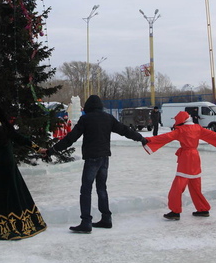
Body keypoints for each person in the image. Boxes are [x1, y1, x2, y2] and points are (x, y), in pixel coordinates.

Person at [43, 95, 148, 233]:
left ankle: (86, 222)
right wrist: (140, 138)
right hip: (104, 158)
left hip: (92, 158)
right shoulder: (108, 118)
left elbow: (70, 139)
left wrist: (52, 150)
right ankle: (106, 218)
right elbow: (124, 130)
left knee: (86, 189)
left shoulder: (85, 119)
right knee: (101, 188)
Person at [0, 102, 46, 240]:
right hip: (10, 164)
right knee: (15, 192)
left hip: (0, 166)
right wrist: (38, 149)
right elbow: (21, 139)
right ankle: (23, 222)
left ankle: (1, 226)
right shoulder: (5, 127)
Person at [144, 111, 216, 220]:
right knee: (195, 185)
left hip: (186, 158)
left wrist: (148, 140)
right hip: (195, 157)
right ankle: (203, 209)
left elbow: (166, 137)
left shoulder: (181, 130)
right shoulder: (198, 128)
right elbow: (212, 135)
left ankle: (175, 211)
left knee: (177, 187)